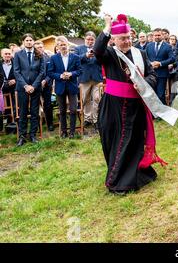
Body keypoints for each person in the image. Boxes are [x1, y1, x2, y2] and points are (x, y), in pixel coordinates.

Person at [94, 14, 164, 194]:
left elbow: (152, 75)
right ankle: (118, 181)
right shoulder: (109, 53)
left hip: (136, 106)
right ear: (114, 39)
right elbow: (97, 50)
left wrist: (143, 82)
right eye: (122, 39)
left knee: (134, 141)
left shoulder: (140, 53)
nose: (126, 41)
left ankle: (136, 175)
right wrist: (107, 28)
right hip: (113, 106)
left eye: (128, 38)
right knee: (117, 142)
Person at [13, 34, 45, 146]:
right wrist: (26, 86)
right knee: (23, 112)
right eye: (27, 40)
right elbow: (16, 72)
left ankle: (33, 135)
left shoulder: (39, 54)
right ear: (23, 42)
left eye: (31, 40)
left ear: (33, 41)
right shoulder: (18, 55)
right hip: (22, 88)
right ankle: (22, 136)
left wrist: (34, 86)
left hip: (35, 88)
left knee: (34, 112)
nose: (29, 42)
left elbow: (42, 72)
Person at [48, 36, 82, 139]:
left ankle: (72, 132)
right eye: (61, 45)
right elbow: (50, 72)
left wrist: (71, 74)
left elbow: (80, 70)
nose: (63, 47)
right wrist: (60, 76)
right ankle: (64, 131)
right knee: (62, 111)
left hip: (72, 86)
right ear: (57, 46)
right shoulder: (53, 58)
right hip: (60, 86)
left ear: (68, 45)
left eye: (64, 44)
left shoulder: (75, 57)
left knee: (73, 110)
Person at [75, 32, 103, 128]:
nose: (90, 41)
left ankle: (96, 119)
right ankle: (88, 119)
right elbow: (75, 60)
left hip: (97, 77)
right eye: (88, 39)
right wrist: (85, 56)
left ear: (94, 40)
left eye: (92, 40)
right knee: (85, 99)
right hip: (84, 78)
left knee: (97, 98)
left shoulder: (98, 48)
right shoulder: (78, 49)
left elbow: (103, 59)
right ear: (85, 39)